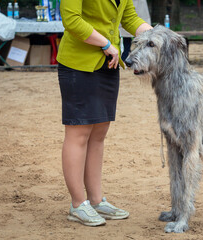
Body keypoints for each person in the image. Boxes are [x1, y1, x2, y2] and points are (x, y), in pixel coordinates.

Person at [56, 0, 152, 227]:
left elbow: (129, 18)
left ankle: (96, 200)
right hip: (79, 64)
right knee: (78, 133)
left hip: (108, 63)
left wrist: (159, 34)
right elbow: (71, 20)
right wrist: (106, 43)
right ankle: (78, 204)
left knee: (99, 133)